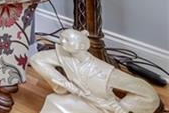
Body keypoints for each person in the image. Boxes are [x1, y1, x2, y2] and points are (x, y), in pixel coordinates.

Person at [30, 30, 160, 113]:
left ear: (81, 46)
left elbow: (148, 95)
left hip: (101, 105)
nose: (61, 41)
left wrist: (122, 107)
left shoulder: (103, 72)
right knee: (53, 101)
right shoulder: (66, 57)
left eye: (67, 40)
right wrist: (64, 85)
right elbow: (37, 60)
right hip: (81, 98)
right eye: (62, 38)